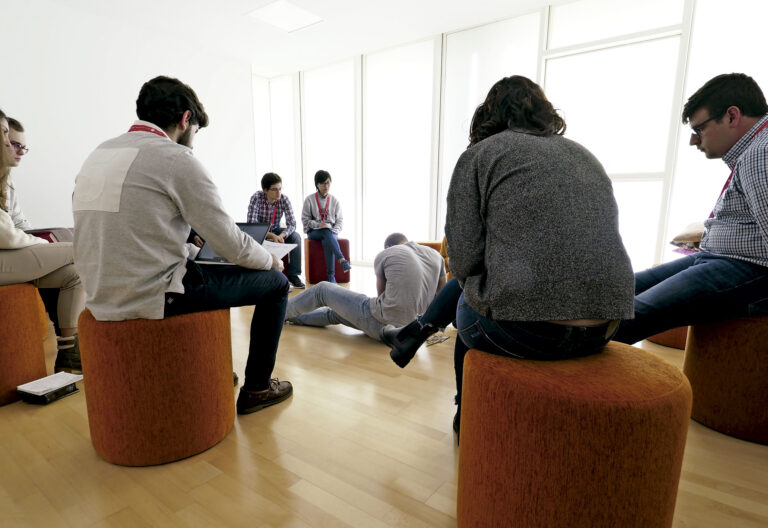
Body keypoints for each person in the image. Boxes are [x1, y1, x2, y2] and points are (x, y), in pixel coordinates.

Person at [72, 76, 292, 414]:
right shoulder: (175, 159)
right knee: (276, 285)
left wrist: (190, 250)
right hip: (154, 296)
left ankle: (211, 369)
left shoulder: (98, 155)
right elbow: (230, 241)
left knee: (206, 265)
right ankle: (258, 388)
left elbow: (138, 235)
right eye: (196, 132)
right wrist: (270, 261)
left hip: (100, 295)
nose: (193, 142)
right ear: (185, 119)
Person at [445, 76, 635, 437]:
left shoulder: (479, 156)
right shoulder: (584, 154)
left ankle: (467, 420)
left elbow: (464, 260)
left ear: (487, 114)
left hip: (524, 333)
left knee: (467, 307)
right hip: (606, 326)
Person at [613, 73, 768, 344]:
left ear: (732, 116)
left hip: (749, 269)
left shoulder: (761, 153)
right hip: (717, 257)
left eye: (698, 130)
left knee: (628, 316)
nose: (693, 141)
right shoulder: (753, 149)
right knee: (613, 292)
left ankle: (558, 372)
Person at [0, 110, 85, 373]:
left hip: (7, 255)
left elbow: (16, 226)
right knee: (82, 249)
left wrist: (40, 246)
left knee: (74, 273)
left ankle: (69, 353)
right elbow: (6, 234)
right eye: (5, 135)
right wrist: (45, 247)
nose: (9, 144)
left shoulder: (5, 180)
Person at [286, 233, 446, 342]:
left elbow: (381, 296)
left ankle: (278, 312)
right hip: (412, 328)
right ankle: (290, 318)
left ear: (388, 246)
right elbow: (442, 297)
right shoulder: (436, 256)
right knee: (336, 313)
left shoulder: (388, 253)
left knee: (322, 289)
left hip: (382, 323)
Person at [247, 172, 304, 288]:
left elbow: (292, 223)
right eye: (274, 189)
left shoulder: (284, 199)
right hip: (260, 231)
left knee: (296, 237)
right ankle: (262, 278)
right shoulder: (256, 198)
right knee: (252, 238)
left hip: (277, 230)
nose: (279, 192)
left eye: (280, 188)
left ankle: (293, 275)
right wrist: (271, 236)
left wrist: (282, 235)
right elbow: (252, 225)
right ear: (265, 190)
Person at [301, 169, 351, 283]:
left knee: (327, 237)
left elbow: (340, 221)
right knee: (325, 231)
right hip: (314, 232)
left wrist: (334, 230)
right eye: (323, 183)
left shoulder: (335, 200)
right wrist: (319, 224)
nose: (326, 185)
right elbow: (305, 220)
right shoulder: (309, 199)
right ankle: (341, 261)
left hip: (330, 232)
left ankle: (331, 276)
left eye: (328, 182)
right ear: (317, 185)